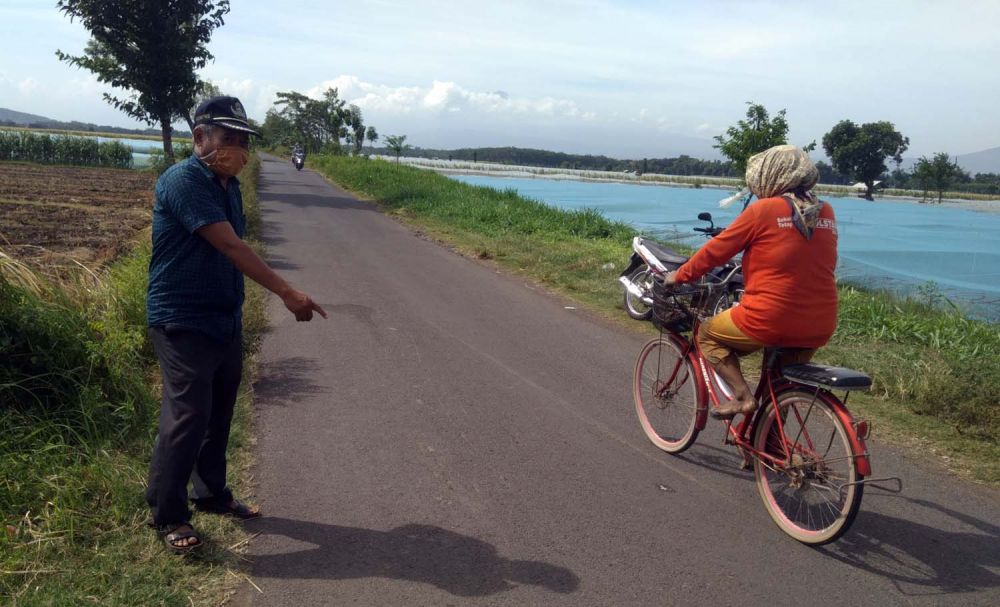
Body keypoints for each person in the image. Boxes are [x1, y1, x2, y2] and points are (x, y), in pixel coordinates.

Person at [146, 95, 327, 553]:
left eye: (243, 139)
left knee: (219, 412)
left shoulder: (225, 186)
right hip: (182, 318)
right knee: (187, 416)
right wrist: (287, 292)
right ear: (199, 138)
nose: (239, 148)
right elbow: (231, 247)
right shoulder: (183, 181)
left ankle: (211, 495)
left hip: (222, 317)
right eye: (229, 137)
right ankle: (169, 516)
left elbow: (234, 250)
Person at [664, 145, 838, 418]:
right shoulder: (826, 211)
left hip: (768, 318)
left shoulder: (764, 210)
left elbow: (716, 251)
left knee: (706, 334)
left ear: (772, 174)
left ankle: (742, 397)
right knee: (778, 390)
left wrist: (680, 274)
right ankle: (768, 452)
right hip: (820, 322)